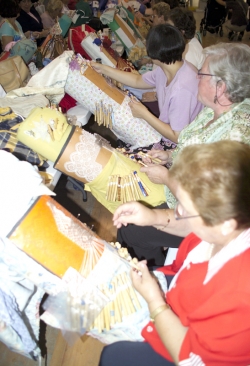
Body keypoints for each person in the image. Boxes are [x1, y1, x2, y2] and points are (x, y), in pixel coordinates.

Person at [100, 140, 250, 366]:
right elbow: (191, 229)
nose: (177, 212)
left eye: (185, 210)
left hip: (189, 346)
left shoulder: (238, 297)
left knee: (114, 357)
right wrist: (154, 217)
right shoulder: (227, 227)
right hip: (185, 290)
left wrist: (155, 302)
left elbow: (192, 359)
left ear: (226, 224)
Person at [116, 42, 250, 266]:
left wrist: (167, 178)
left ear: (221, 87)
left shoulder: (236, 137)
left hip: (206, 221)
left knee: (129, 231)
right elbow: (192, 146)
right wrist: (170, 157)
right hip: (183, 191)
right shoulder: (214, 109)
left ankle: (156, 278)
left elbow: (209, 205)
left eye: (202, 74)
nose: (196, 78)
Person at [92, 24, 203, 151]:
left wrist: (144, 113)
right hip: (169, 133)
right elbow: (137, 80)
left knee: (124, 148)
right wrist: (104, 69)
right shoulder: (168, 67)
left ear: (154, 53)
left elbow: (177, 137)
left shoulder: (182, 89)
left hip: (177, 147)